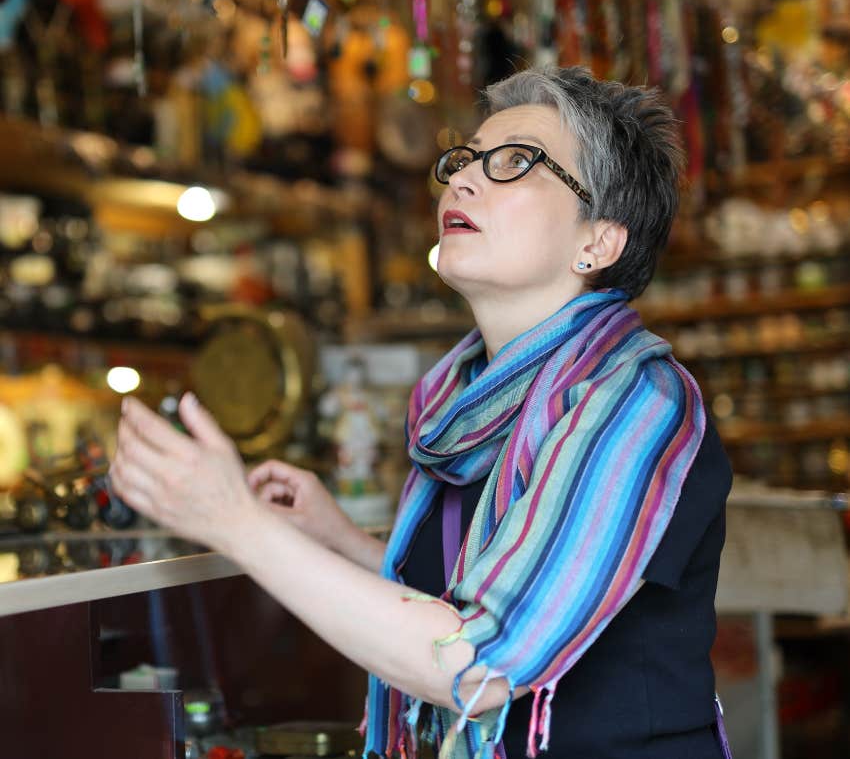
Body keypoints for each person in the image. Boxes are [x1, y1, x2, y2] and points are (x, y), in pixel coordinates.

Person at [112, 66, 733, 759]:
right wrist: (343, 542)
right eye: (465, 160)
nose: (462, 181)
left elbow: (479, 663)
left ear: (598, 242)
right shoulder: (464, 403)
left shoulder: (633, 404)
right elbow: (491, 589)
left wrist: (237, 523)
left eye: (516, 163)